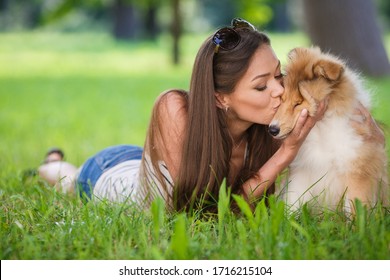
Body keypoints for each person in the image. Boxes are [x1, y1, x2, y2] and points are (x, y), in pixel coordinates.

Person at [37, 18, 383, 212]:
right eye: (261, 86)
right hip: (115, 176)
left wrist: (370, 131)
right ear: (221, 99)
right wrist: (286, 154)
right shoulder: (175, 108)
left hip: (154, 160)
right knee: (65, 178)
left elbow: (342, 146)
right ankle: (54, 161)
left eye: (278, 76)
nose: (280, 92)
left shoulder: (272, 117)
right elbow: (203, 214)